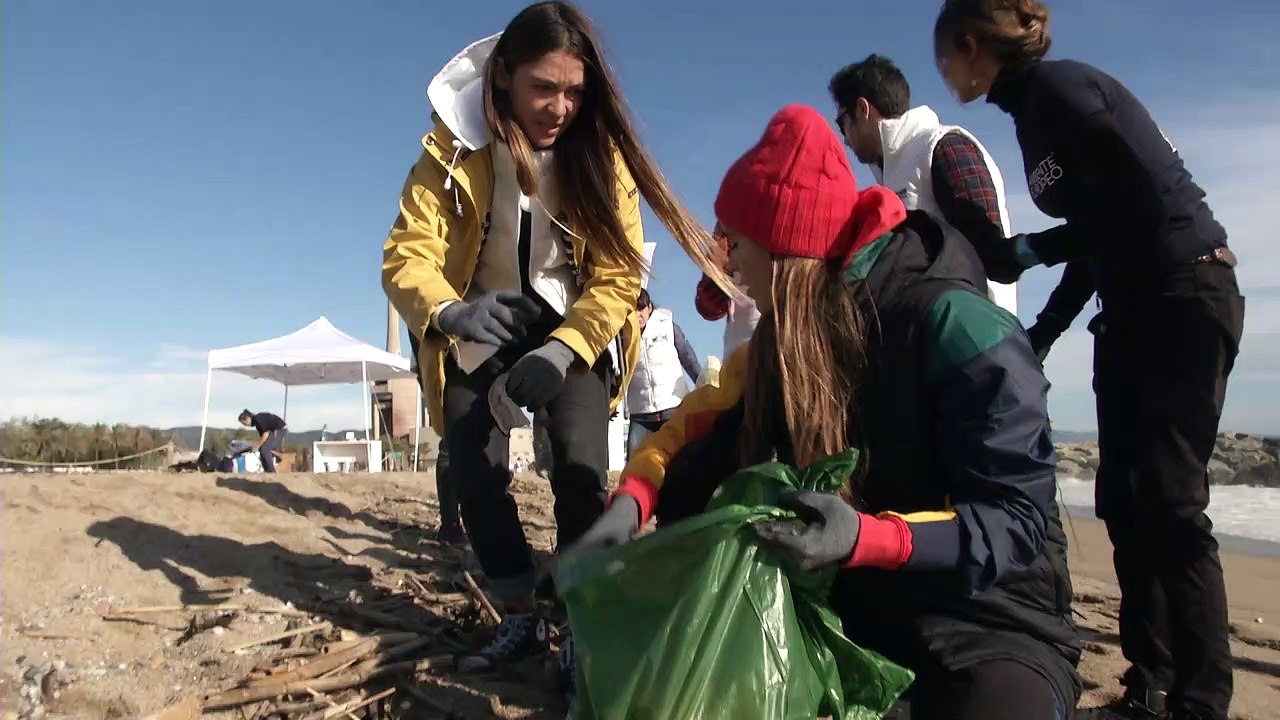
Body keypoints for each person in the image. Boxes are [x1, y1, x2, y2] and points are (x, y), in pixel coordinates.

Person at [571, 104, 1080, 720]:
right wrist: (633, 498)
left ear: (786, 252)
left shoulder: (954, 323)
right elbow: (690, 430)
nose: (728, 264)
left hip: (986, 619)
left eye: (738, 244)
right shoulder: (780, 345)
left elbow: (1016, 520)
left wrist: (869, 537)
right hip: (853, 606)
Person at [381, 0, 723, 677]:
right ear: (503, 76)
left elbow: (621, 274)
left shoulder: (602, 155)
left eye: (574, 91)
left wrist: (565, 348)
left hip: (576, 327)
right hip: (481, 319)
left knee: (578, 470)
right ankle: (516, 611)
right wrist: (450, 314)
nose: (559, 107)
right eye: (544, 87)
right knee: (472, 465)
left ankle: (576, 621)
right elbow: (407, 252)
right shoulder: (451, 147)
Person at [933, 2, 1245, 718]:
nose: (945, 72)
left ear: (974, 46)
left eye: (946, 57)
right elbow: (1098, 235)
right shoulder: (1028, 116)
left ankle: (1201, 700)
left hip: (1185, 292)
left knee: (1170, 502)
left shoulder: (1063, 91)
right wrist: (1041, 332)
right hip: (1133, 304)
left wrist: (1036, 248)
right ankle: (1151, 679)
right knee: (1122, 502)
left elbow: (1138, 205)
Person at [829, 53, 1018, 315]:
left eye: (842, 124)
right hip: (923, 342)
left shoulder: (943, 147)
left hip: (971, 340)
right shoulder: (890, 175)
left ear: (863, 109)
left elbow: (992, 256)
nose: (845, 140)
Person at [625, 288, 702, 459]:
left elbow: (688, 358)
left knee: (680, 461)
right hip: (641, 413)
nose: (638, 315)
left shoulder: (667, 324)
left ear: (649, 307)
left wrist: (703, 382)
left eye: (641, 309)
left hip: (672, 409)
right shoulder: (624, 333)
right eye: (633, 310)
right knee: (634, 464)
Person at [407, 330, 464, 544]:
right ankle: (452, 523)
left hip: (435, 355)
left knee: (452, 439)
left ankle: (451, 524)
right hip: (447, 356)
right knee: (452, 440)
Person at [237, 409, 286, 473]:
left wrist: (257, 445)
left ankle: (271, 472)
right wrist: (258, 446)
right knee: (262, 448)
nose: (246, 426)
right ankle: (267, 471)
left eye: (245, 423)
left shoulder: (258, 419)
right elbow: (263, 439)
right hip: (273, 431)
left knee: (265, 449)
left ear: (247, 418)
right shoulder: (257, 422)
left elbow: (265, 434)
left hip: (280, 429)